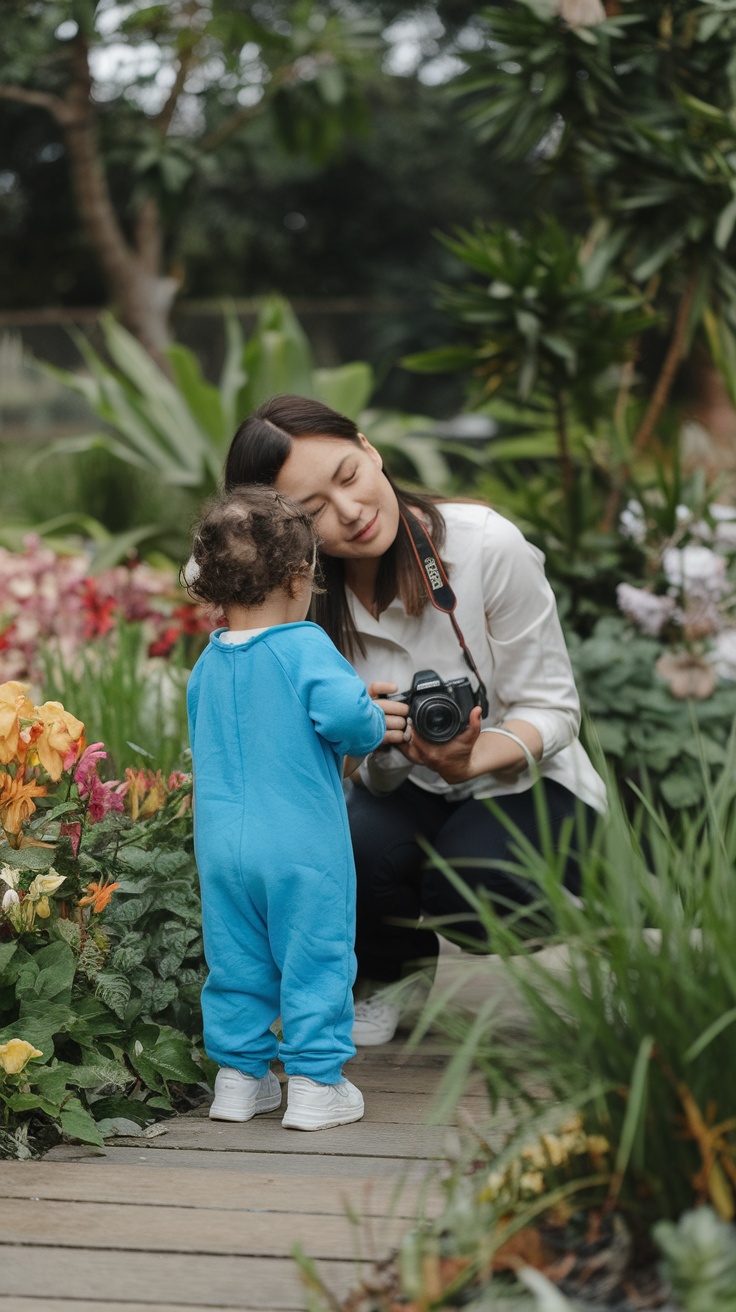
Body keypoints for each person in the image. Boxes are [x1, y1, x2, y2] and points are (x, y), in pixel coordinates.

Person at [223, 397, 608, 1045]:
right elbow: (301, 764)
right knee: (341, 840)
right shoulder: (296, 595)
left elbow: (555, 707)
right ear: (283, 529)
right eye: (313, 510)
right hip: (397, 788)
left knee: (472, 886)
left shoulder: (485, 546)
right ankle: (390, 973)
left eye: (348, 476)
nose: (349, 512)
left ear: (371, 451)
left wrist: (470, 756)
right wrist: (353, 732)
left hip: (528, 785)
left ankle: (589, 924)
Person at [185, 486, 389, 1129]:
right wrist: (373, 720)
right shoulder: (304, 646)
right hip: (302, 843)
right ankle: (314, 1084)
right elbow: (352, 723)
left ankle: (239, 1081)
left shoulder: (206, 663)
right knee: (317, 954)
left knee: (237, 959)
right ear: (299, 578)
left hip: (222, 846)